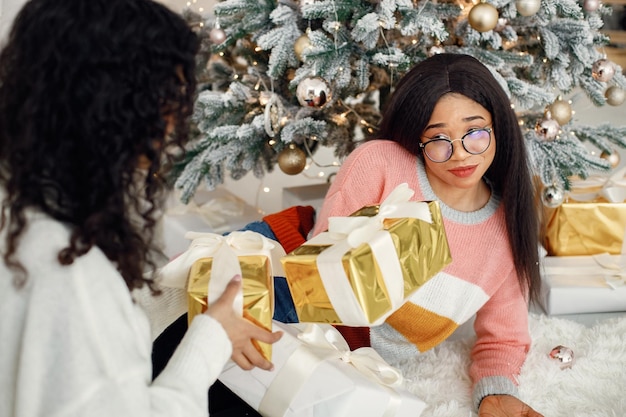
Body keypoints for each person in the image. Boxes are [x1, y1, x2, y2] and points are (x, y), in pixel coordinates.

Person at [0, 1, 281, 416]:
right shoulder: (73, 275)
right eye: (168, 100)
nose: (174, 126)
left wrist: (173, 299)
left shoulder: (24, 214)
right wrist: (210, 338)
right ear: (118, 107)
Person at [312, 53, 544, 417]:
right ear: (417, 139)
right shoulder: (381, 163)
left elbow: (504, 338)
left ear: (498, 127)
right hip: (282, 286)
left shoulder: (505, 228)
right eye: (438, 139)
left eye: (475, 132)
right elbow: (315, 274)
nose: (460, 154)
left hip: (352, 363)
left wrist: (495, 393)